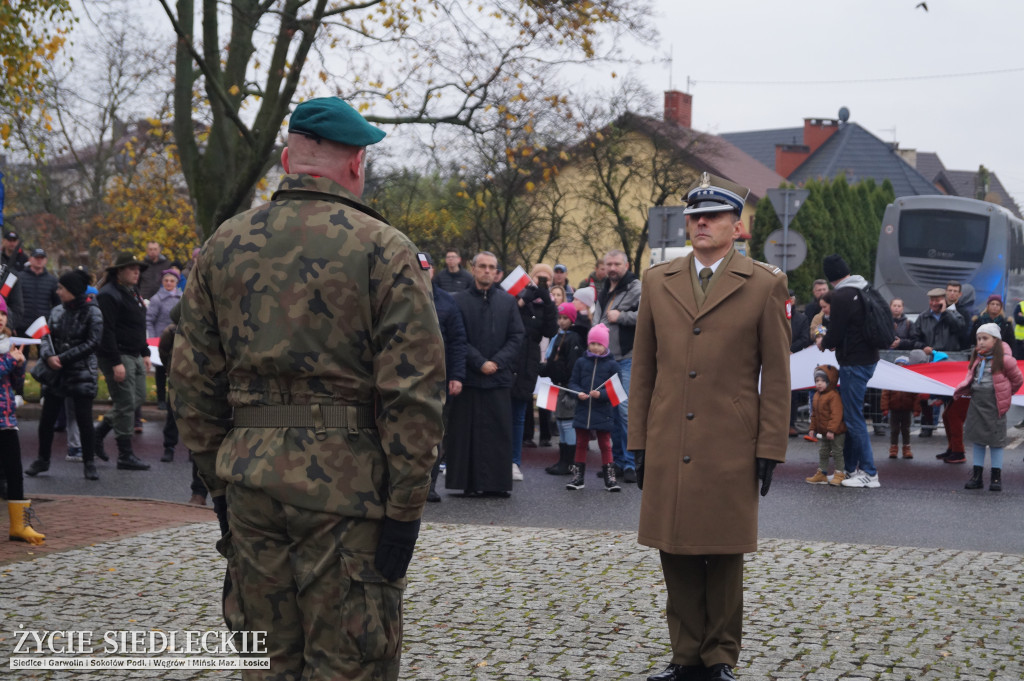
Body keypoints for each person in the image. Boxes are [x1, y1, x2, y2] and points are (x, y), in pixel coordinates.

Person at [171, 96, 445, 680]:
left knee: (264, 662)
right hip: (349, 494)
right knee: (348, 663)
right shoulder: (382, 249)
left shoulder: (222, 245)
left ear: (286, 158)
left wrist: (220, 483)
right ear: (355, 164)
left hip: (249, 482)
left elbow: (191, 384)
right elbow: (414, 393)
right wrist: (405, 510)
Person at [629, 173, 791, 681]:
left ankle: (719, 656)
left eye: (713, 216)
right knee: (672, 545)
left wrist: (770, 446)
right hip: (668, 433)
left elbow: (778, 373)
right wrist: (637, 439)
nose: (701, 223)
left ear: (735, 226)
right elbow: (643, 369)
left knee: (722, 551)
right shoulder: (658, 280)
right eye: (695, 215)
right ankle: (685, 653)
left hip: (729, 439)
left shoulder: (764, 283)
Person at [444, 251, 524, 497]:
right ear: (474, 268)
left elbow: (517, 336)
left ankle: (496, 484)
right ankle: (468, 483)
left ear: (497, 271)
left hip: (498, 378)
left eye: (491, 267)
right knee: (466, 432)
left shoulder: (508, 302)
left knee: (497, 433)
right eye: (482, 266)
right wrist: (479, 362)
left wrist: (497, 362)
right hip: (469, 377)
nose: (487, 271)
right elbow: (456, 337)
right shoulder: (457, 300)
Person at [24, 270, 103, 481]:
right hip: (56, 374)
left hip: (82, 373)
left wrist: (64, 358)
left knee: (84, 420)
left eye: (61, 288)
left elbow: (93, 343)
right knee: (46, 420)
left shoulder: (93, 312)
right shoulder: (56, 311)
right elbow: (45, 337)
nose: (57, 292)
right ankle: (42, 460)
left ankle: (89, 462)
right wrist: (49, 356)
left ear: (73, 291)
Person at [817, 254, 881, 489]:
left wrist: (823, 342)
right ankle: (850, 468)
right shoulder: (865, 286)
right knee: (851, 416)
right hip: (869, 358)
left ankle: (869, 473)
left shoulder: (842, 296)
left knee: (854, 418)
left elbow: (835, 334)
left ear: (830, 276)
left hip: (854, 362)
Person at [94, 252, 151, 471]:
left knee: (138, 397)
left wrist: (145, 352)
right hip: (118, 355)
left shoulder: (133, 292)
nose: (137, 272)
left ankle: (97, 435)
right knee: (126, 402)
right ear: (119, 271)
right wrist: (115, 361)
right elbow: (106, 330)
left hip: (135, 353)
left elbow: (138, 325)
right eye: (131, 268)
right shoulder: (108, 295)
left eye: (138, 269)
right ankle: (125, 455)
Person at [954, 323, 1024, 492]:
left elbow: (1017, 380)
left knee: (995, 442)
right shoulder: (977, 357)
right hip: (977, 403)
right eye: (979, 339)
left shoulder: (1005, 359)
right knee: (978, 440)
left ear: (995, 340)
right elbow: (970, 375)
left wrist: (1006, 393)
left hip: (995, 406)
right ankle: (977, 476)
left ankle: (996, 477)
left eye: (985, 338)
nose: (981, 342)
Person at [593, 249, 641, 483]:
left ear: (626, 265)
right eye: (608, 263)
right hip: (605, 359)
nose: (612, 268)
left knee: (624, 412)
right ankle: (619, 462)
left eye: (616, 264)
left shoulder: (636, 287)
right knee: (611, 413)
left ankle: (632, 464)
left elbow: (647, 316)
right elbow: (599, 317)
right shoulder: (604, 289)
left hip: (627, 358)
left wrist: (620, 317)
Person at [1, 297, 45, 544]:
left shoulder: (8, 344)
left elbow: (15, 384)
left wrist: (19, 365)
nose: (0, 318)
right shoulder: (5, 352)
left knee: (15, 472)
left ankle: (19, 526)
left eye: (2, 314)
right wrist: (10, 361)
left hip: (6, 419)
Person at [426, 255, 467, 503]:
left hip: (439, 381)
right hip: (404, 380)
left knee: (436, 434)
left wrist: (457, 376)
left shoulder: (446, 301)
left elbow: (457, 342)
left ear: (433, 270)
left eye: (427, 267)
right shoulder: (398, 297)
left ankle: (429, 485)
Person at [565, 323, 621, 492]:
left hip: (603, 411)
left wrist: (601, 395)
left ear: (605, 345)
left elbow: (617, 390)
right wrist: (578, 393)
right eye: (592, 343)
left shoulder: (612, 366)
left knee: (605, 444)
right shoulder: (581, 362)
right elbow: (572, 382)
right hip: (583, 409)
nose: (595, 347)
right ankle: (578, 477)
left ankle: (610, 479)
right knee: (581, 443)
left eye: (599, 344)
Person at [912, 287, 966, 438]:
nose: (934, 303)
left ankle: (952, 427)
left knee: (950, 396)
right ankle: (927, 426)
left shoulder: (955, 315)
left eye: (937, 300)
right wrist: (923, 347)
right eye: (932, 300)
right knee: (928, 397)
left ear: (944, 301)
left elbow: (960, 330)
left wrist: (945, 313)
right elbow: (914, 339)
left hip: (949, 362)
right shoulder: (923, 317)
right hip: (930, 362)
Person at [540, 301, 587, 475]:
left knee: (568, 424)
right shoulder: (559, 336)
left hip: (568, 388)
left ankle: (570, 462)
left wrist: (571, 389)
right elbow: (553, 361)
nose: (561, 321)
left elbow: (574, 365)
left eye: (565, 318)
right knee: (560, 422)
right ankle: (563, 460)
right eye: (559, 318)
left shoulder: (573, 338)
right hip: (558, 386)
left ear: (572, 319)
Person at [146, 269, 182, 411]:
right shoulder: (157, 299)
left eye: (172, 281)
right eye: (166, 280)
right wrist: (154, 338)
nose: (169, 283)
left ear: (176, 283)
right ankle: (161, 399)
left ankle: (173, 401)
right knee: (161, 371)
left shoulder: (182, 298)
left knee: (176, 372)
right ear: (162, 282)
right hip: (161, 341)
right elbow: (149, 320)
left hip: (178, 340)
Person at [805, 365, 846, 485]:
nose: (819, 383)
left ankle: (839, 474)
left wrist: (831, 430)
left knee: (837, 451)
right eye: (817, 381)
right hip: (824, 431)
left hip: (836, 431)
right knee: (823, 452)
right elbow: (814, 414)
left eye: (823, 381)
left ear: (830, 381)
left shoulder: (833, 395)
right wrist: (812, 428)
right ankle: (822, 474)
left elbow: (837, 414)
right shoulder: (817, 395)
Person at [880, 355, 925, 460]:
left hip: (906, 409)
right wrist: (885, 408)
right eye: (899, 365)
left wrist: (916, 409)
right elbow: (885, 394)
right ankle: (893, 449)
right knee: (894, 430)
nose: (901, 367)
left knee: (906, 430)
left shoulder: (911, 379)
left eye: (903, 365)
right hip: (894, 409)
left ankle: (907, 449)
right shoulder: (890, 379)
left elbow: (916, 396)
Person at [16, 248, 60, 337]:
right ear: (30, 259)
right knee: (20, 350)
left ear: (46, 260)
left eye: (42, 258)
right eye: (37, 258)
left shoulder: (52, 281)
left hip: (43, 325)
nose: (39, 260)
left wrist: (53, 323)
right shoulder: (19, 277)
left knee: (44, 350)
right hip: (21, 325)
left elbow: (57, 304)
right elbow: (12, 302)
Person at [789, 289, 812, 437]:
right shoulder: (774, 315)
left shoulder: (801, 319)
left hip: (794, 358)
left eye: (791, 298)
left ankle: (791, 423)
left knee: (793, 393)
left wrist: (790, 349)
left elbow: (805, 338)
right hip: (775, 357)